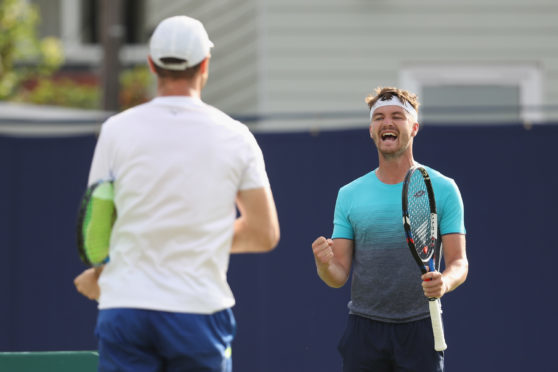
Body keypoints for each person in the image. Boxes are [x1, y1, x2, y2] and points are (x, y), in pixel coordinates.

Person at [74, 15, 280, 372]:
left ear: (152, 65)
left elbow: (98, 225)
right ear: (205, 65)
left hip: (125, 310)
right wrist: (198, 235)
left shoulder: (114, 131)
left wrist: (103, 273)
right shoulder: (236, 137)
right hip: (197, 312)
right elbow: (263, 233)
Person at [311, 87, 468, 372]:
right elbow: (338, 275)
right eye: (379, 117)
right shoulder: (348, 195)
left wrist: (444, 282)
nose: (387, 123)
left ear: (414, 127)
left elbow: (459, 263)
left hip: (421, 327)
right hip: (363, 331)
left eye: (398, 116)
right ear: (372, 130)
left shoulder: (444, 188)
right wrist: (324, 265)